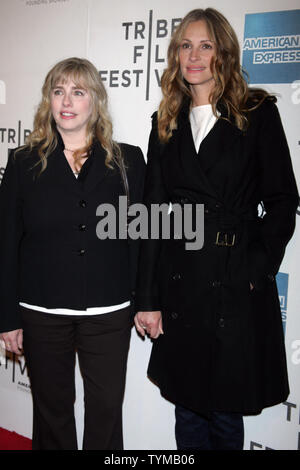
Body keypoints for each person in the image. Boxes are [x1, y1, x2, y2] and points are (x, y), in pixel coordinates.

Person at [134, 8, 299, 450]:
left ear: (223, 51)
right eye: (185, 45)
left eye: (205, 45)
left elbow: (283, 200)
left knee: (225, 415)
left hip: (234, 280)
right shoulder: (164, 122)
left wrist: (256, 265)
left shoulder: (256, 112)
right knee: (187, 410)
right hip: (181, 281)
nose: (194, 55)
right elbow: (152, 214)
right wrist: (148, 299)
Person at [0, 57, 145, 450]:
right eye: (58, 91)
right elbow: (7, 243)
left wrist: (147, 301)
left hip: (109, 312)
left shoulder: (128, 160)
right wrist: (7, 317)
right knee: (51, 414)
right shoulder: (22, 162)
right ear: (48, 100)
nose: (67, 100)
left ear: (94, 102)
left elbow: (140, 240)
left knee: (105, 413)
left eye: (78, 92)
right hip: (42, 310)